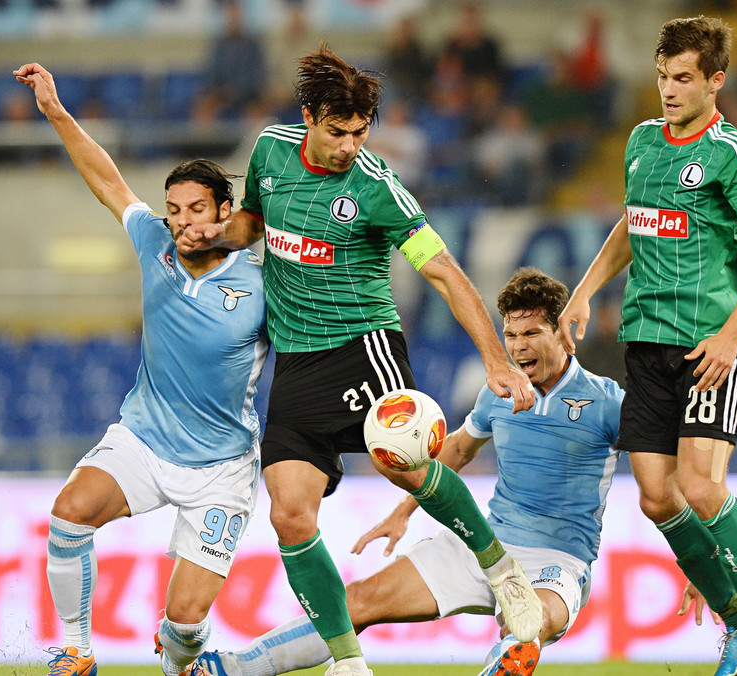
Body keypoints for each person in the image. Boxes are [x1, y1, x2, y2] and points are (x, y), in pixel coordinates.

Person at [176, 44, 542, 676]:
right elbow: (255, 225)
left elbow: (446, 273)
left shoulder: (376, 188)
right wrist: (216, 234)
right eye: (337, 131)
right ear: (309, 116)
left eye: (360, 132)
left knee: (407, 467)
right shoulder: (268, 151)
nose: (350, 145)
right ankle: (348, 663)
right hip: (295, 361)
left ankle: (501, 570)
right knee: (290, 513)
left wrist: (496, 362)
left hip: (363, 345)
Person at [187, 267, 622, 676]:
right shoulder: (500, 394)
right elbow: (456, 452)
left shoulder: (608, 402)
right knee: (356, 601)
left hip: (558, 559)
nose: (518, 345)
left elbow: (665, 474)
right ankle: (233, 667)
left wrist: (692, 560)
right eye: (509, 334)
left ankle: (512, 652)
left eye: (531, 333)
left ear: (564, 335)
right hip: (483, 543)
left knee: (526, 627)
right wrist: (404, 510)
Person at [13, 63, 269, 676]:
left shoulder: (265, 282)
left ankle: (182, 655)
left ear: (227, 212)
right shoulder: (153, 242)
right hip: (144, 440)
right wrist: (54, 110)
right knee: (70, 512)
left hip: (222, 469)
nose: (181, 221)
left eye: (195, 209)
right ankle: (76, 651)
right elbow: (105, 176)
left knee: (183, 628)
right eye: (173, 209)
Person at [557, 17, 737, 676]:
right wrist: (584, 291)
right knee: (659, 497)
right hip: (646, 342)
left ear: (716, 81)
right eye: (662, 76)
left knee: (699, 487)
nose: (668, 89)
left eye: (683, 77)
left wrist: (730, 334)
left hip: (711, 346)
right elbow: (634, 225)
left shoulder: (734, 152)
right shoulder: (640, 142)